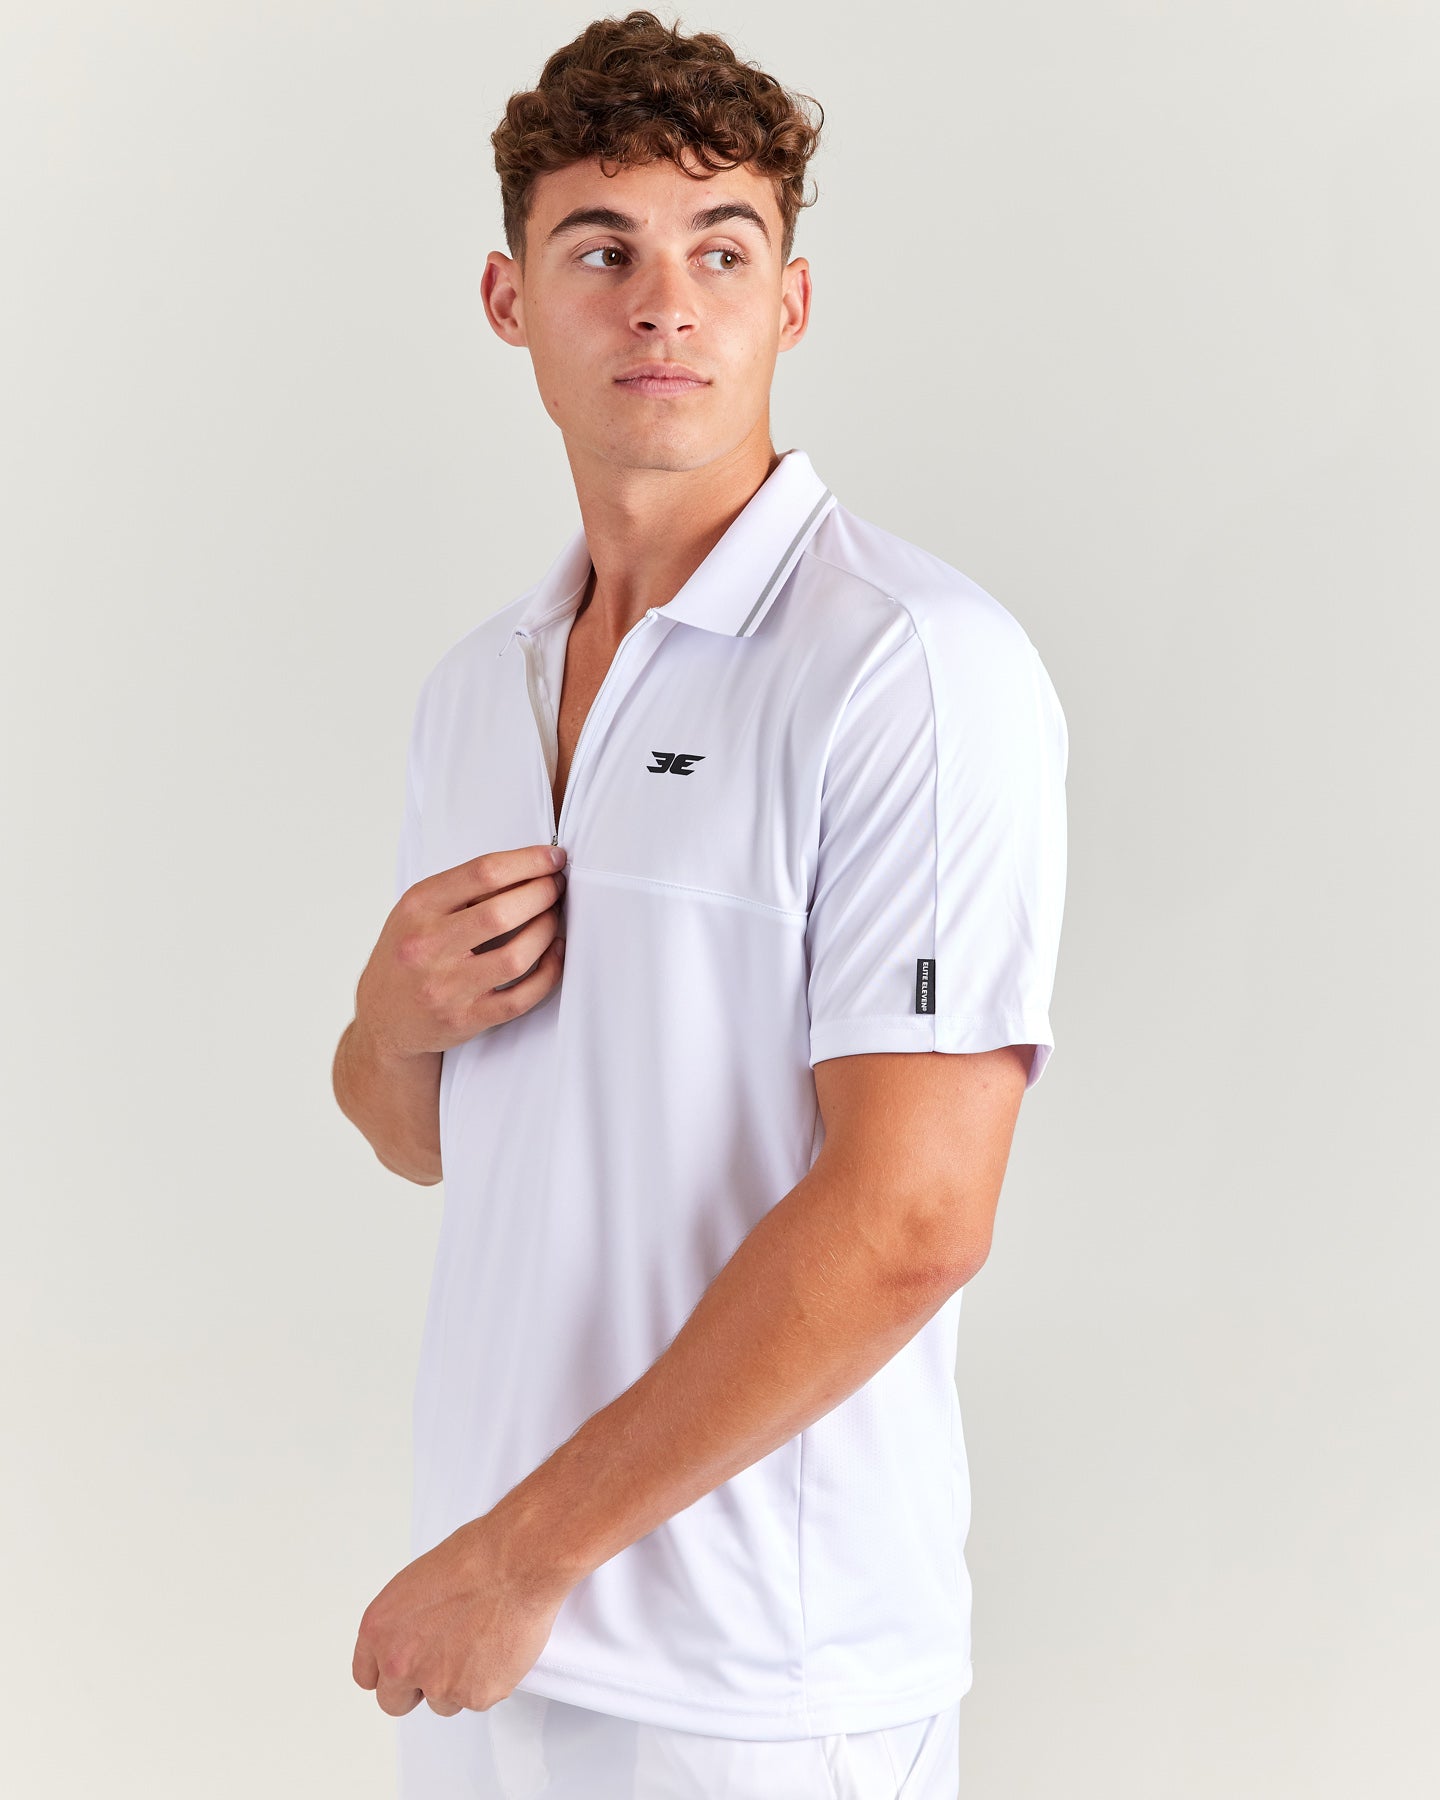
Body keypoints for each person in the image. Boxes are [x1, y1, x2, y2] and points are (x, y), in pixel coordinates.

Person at [331, 11, 1068, 1798]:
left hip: (759, 1687)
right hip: (496, 1656)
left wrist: (524, 1555)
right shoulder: (479, 687)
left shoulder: (906, 669)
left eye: (720, 251)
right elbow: (431, 1141)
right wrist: (388, 1022)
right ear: (509, 301)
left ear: (788, 303)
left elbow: (915, 1214)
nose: (665, 304)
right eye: (603, 251)